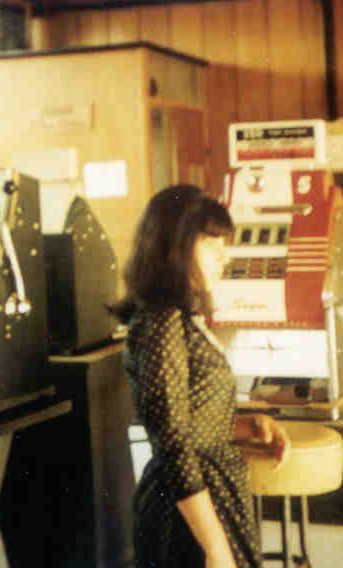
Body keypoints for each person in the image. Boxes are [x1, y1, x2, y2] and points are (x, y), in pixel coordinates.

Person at [111, 185, 291, 568]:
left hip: (212, 500)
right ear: (174, 247)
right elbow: (174, 445)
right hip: (186, 518)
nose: (224, 258)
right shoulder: (161, 324)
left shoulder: (180, 318)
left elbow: (191, 423)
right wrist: (214, 547)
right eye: (212, 246)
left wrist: (246, 426)